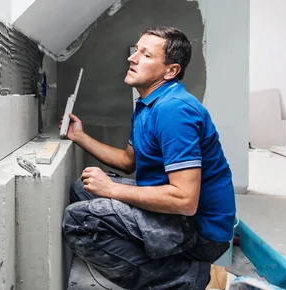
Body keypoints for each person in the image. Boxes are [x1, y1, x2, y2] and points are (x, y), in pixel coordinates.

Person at [61, 26, 237, 289]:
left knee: (78, 220)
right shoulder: (148, 104)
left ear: (170, 71)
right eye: (136, 51)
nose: (132, 58)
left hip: (200, 232)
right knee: (82, 189)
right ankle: (154, 258)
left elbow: (185, 200)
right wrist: (81, 137)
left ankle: (199, 279)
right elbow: (127, 161)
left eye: (146, 55)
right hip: (179, 215)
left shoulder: (173, 111)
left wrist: (112, 189)